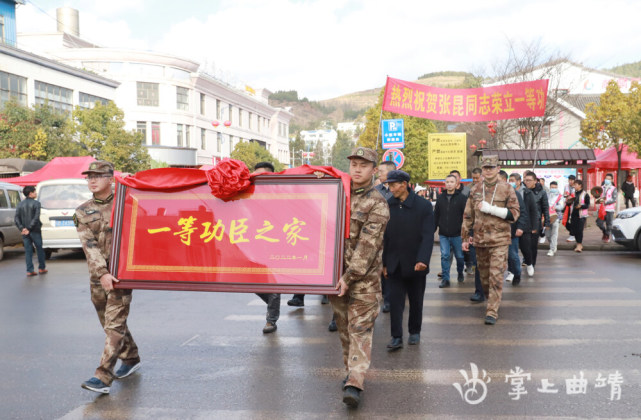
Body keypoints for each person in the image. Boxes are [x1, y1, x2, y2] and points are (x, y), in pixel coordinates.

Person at [329, 147, 389, 408]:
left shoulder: (378, 203)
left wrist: (348, 276)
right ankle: (350, 372)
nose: (356, 168)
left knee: (360, 330)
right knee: (344, 330)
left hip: (363, 282)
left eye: (363, 165)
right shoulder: (336, 195)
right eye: (353, 163)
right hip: (335, 279)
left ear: (374, 170)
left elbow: (367, 248)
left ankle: (355, 381)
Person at [75, 160, 141, 394]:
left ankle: (102, 376)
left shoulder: (128, 203)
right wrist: (102, 273)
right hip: (97, 276)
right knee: (109, 322)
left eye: (98, 176)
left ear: (111, 179)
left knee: (114, 322)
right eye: (89, 176)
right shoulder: (83, 211)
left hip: (122, 275)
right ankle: (131, 357)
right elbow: (88, 246)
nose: (92, 180)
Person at [462, 156, 519, 325]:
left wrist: (493, 210)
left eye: (491, 167)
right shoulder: (475, 189)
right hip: (480, 240)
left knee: (496, 276)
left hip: (500, 240)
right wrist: (465, 237)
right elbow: (468, 215)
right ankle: (491, 299)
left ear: (498, 168)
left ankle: (492, 311)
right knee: (485, 278)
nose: (488, 170)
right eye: (485, 167)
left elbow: (514, 214)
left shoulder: (507, 189)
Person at [383, 170, 434, 351]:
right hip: (395, 263)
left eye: (393, 185)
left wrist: (423, 260)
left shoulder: (424, 206)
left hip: (416, 264)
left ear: (403, 185)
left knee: (416, 300)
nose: (390, 189)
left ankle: (414, 331)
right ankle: (396, 336)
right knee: (395, 303)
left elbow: (428, 236)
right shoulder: (388, 205)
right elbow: (385, 237)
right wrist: (384, 264)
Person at [252, 162, 282, 333]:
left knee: (273, 284)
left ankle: (271, 320)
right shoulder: (251, 193)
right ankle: (273, 301)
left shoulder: (281, 193)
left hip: (276, 246)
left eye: (262, 176)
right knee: (252, 283)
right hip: (255, 246)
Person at [434, 174, 466, 287]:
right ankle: (446, 279)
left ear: (456, 184)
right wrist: (433, 228)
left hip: (457, 234)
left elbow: (466, 216)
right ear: (444, 183)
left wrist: (466, 232)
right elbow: (436, 214)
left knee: (460, 257)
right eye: (447, 182)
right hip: (443, 234)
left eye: (452, 182)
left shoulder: (462, 198)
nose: (449, 184)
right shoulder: (440, 197)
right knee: (445, 255)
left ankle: (460, 272)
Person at [500, 171, 528, 286]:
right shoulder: (490, 194)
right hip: (497, 232)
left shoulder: (514, 194)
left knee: (513, 255)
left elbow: (522, 212)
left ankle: (517, 273)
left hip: (512, 230)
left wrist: (520, 227)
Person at [375, 160, 396, 313]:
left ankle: (389, 300)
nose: (378, 173)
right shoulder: (375, 190)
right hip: (378, 237)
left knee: (389, 270)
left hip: (394, 237)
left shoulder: (399, 191)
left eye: (381, 171)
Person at [14, 185, 47, 276]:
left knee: (28, 251)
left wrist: (22, 228)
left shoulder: (20, 204)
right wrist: (29, 228)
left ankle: (29, 270)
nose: (36, 193)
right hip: (35, 230)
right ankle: (41, 268)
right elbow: (36, 218)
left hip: (24, 231)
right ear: (30, 193)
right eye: (34, 192)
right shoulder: (36, 203)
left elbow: (16, 218)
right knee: (39, 249)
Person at [523, 171, 549, 276]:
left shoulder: (542, 192)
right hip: (524, 221)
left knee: (533, 246)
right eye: (525, 180)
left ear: (535, 181)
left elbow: (545, 208)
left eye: (529, 180)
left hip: (535, 222)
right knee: (524, 245)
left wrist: (546, 222)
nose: (526, 182)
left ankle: (532, 264)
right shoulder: (523, 191)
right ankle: (527, 260)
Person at [510, 172, 535, 277]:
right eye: (509, 180)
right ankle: (511, 272)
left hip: (525, 224)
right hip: (512, 225)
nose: (510, 182)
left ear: (519, 182)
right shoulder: (508, 193)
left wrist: (534, 226)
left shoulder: (527, 193)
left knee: (525, 248)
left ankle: (529, 263)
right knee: (512, 252)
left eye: (513, 180)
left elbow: (533, 211)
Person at [545, 181, 565, 256]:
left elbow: (561, 206)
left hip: (556, 217)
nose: (553, 189)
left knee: (554, 233)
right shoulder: (546, 195)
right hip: (547, 217)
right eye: (552, 187)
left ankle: (552, 249)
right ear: (549, 187)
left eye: (555, 187)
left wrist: (554, 207)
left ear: (557, 187)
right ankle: (553, 245)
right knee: (547, 234)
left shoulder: (560, 196)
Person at [569, 179, 589, 252]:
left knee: (580, 230)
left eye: (576, 185)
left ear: (580, 185)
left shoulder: (585, 194)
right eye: (574, 185)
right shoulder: (573, 193)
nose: (574, 186)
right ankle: (578, 243)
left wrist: (581, 206)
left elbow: (587, 205)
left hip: (581, 215)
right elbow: (570, 203)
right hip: (573, 214)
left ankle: (579, 245)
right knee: (575, 230)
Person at [596, 173, 617, 243]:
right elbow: (598, 197)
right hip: (601, 209)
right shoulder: (601, 188)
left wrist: (606, 202)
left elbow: (614, 199)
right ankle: (605, 232)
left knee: (609, 224)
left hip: (610, 209)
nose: (607, 180)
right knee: (599, 223)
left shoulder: (614, 188)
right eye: (606, 179)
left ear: (612, 180)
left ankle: (607, 236)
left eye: (609, 179)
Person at [564, 175, 577, 242]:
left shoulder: (576, 187)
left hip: (574, 206)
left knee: (572, 221)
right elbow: (564, 194)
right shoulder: (566, 186)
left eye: (572, 180)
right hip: (567, 205)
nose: (570, 181)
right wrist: (566, 196)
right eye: (569, 180)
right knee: (565, 221)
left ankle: (572, 235)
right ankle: (574, 232)